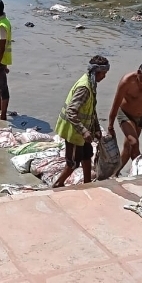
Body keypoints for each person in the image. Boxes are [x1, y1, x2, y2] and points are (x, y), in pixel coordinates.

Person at [52, 56, 110, 188]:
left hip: (84, 130)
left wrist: (96, 129)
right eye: (103, 73)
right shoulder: (84, 88)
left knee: (87, 155)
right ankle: (58, 184)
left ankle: (87, 183)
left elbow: (91, 109)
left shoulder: (91, 83)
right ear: (96, 72)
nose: (104, 76)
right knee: (73, 162)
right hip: (73, 131)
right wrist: (84, 131)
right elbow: (71, 112)